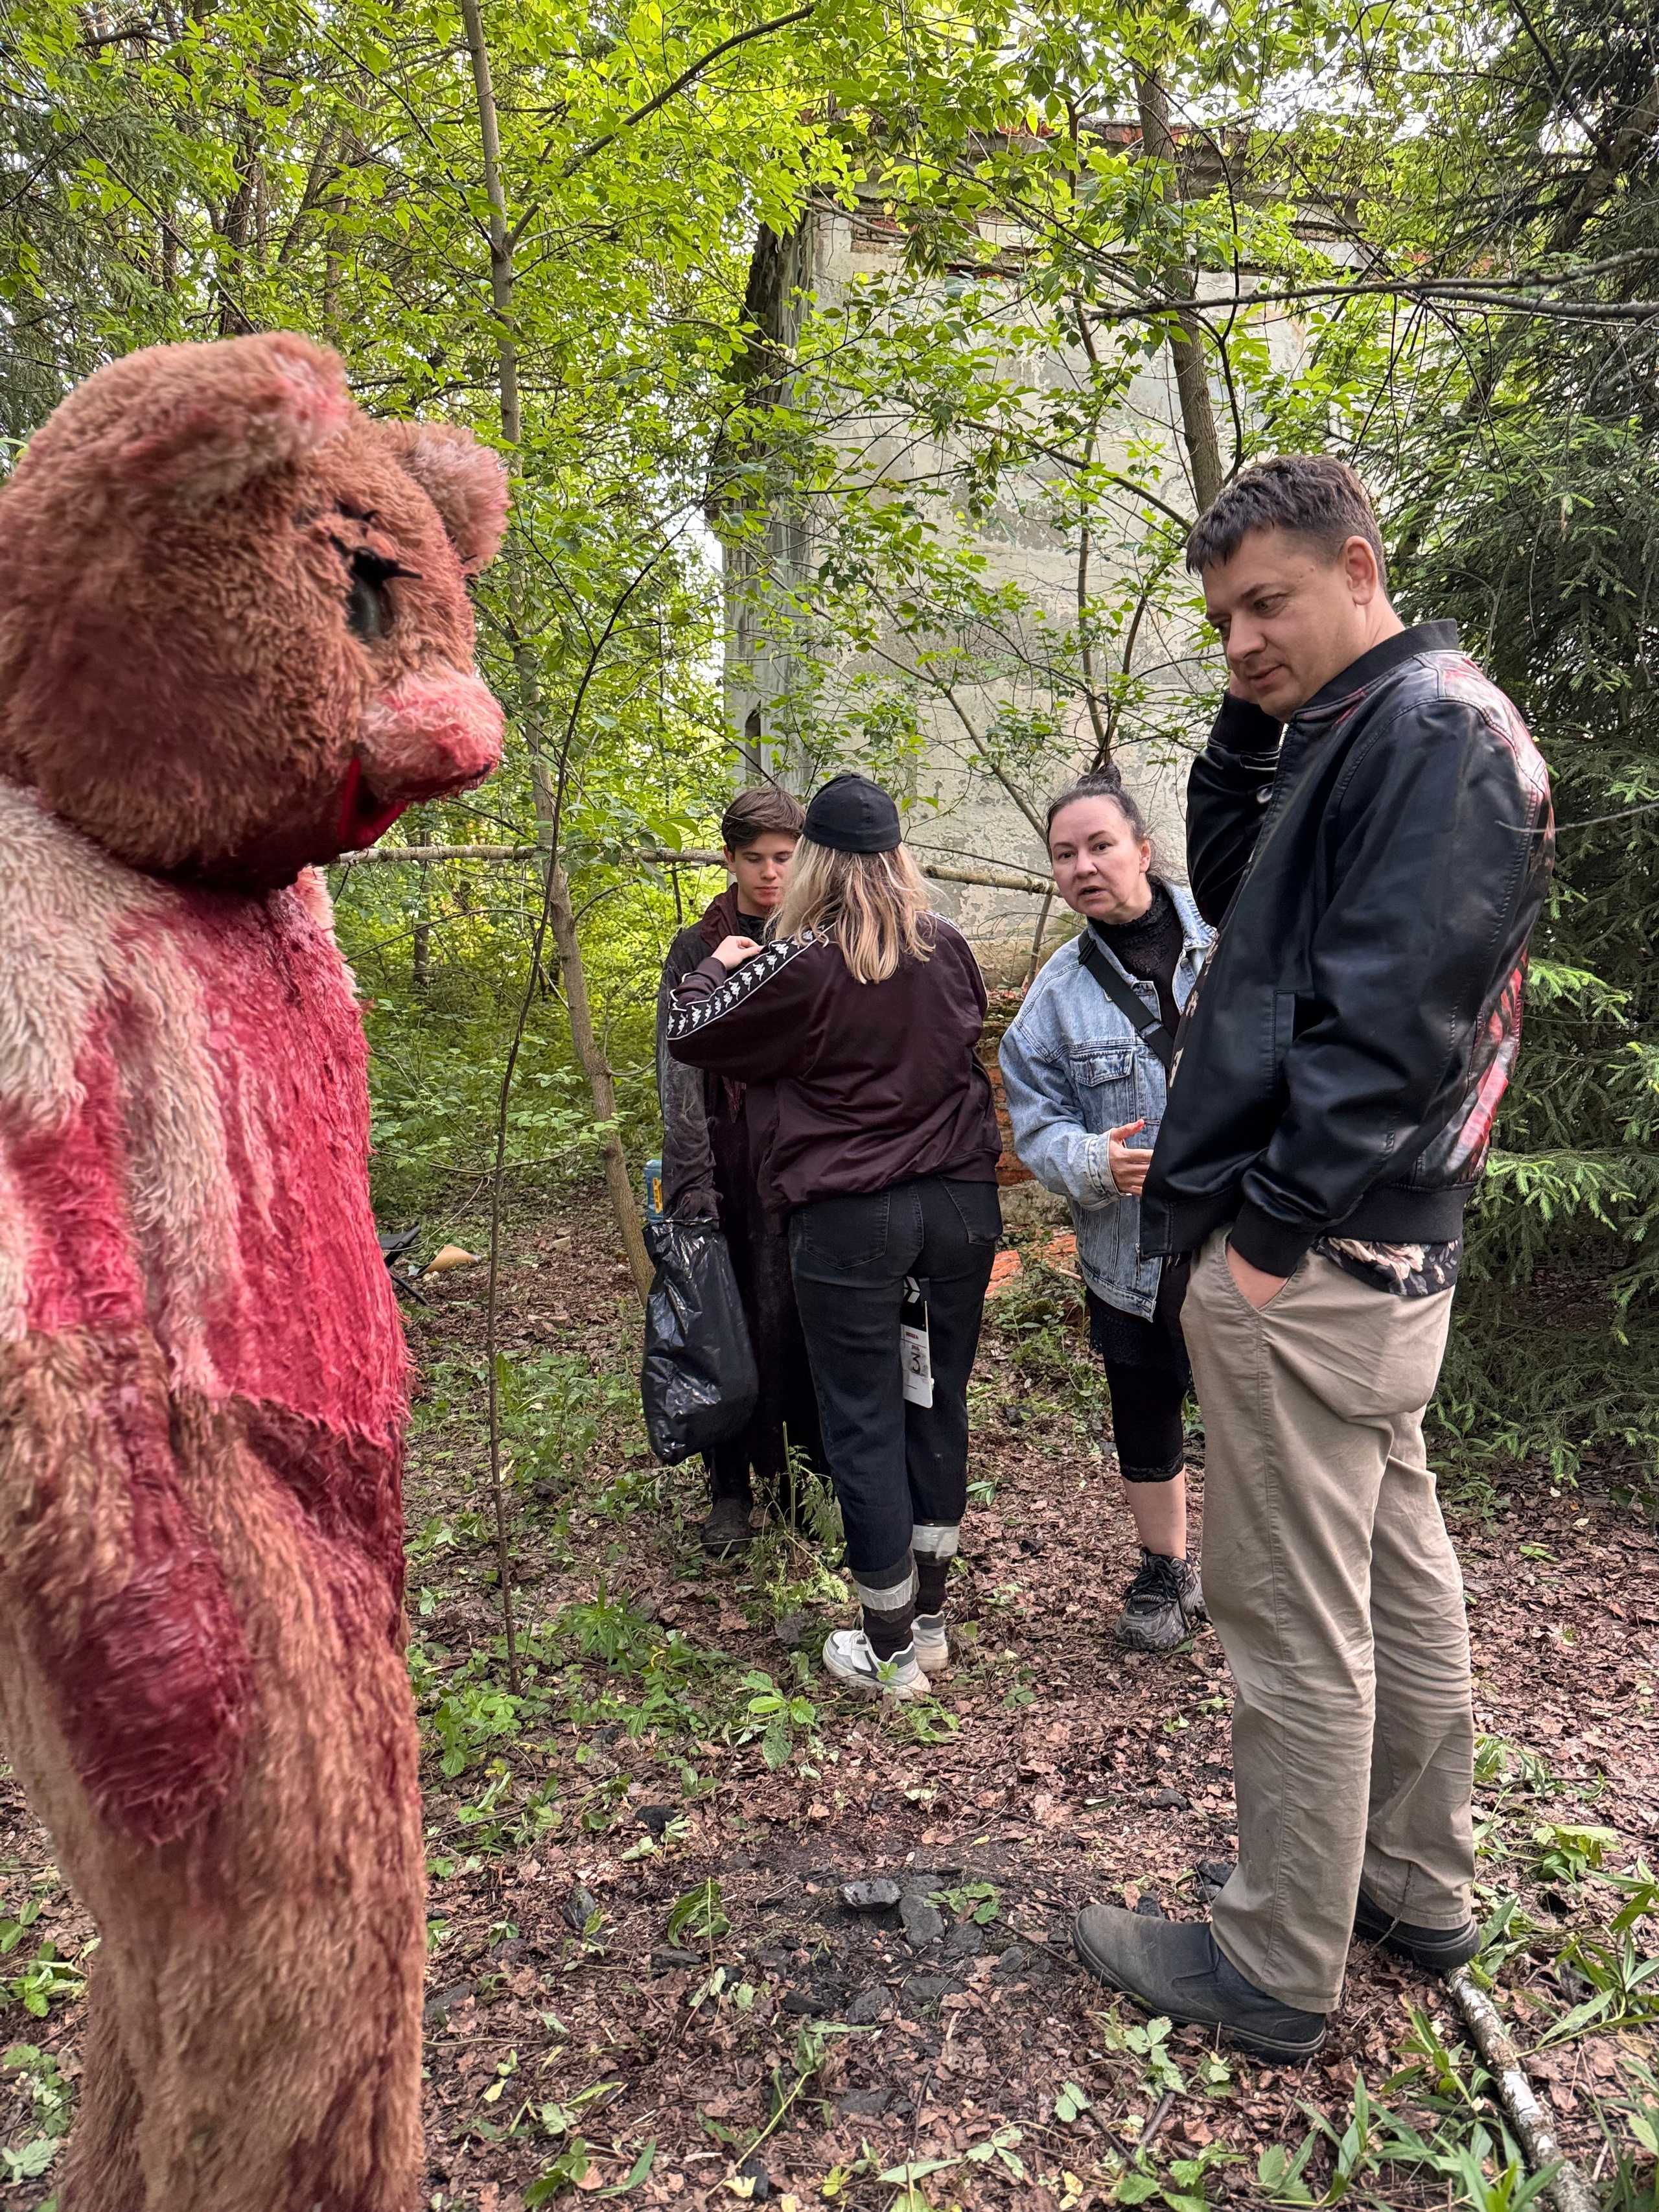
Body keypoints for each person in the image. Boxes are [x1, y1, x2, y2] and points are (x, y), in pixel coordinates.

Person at [1071, 456, 1553, 2058]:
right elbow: (1238, 894)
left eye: (1265, 603)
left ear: (1358, 565)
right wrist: (1243, 716)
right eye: (1218, 621)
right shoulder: (1366, 726)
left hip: (1317, 1251)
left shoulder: (1431, 735)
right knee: (1399, 1568)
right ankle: (1412, 1885)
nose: (1239, 641)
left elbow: (1391, 1023)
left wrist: (1263, 1239)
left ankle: (1275, 1957)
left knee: (1287, 1614)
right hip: (1371, 1251)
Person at [667, 772, 1003, 1697]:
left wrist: (717, 963)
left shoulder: (803, 961)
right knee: (935, 1403)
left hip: (855, 1215)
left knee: (862, 1413)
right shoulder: (953, 948)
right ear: (900, 861)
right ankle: (928, 1621)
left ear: (814, 860)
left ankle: (888, 1645)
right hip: (961, 1210)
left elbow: (689, 1032)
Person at [998, 768, 1215, 1650]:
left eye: (1100, 845)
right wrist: (1096, 1161)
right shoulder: (1054, 996)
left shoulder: (1230, 934)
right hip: (1130, 1250)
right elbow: (1035, 1124)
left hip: (1249, 1232)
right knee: (1145, 1402)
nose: (1084, 865)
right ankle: (1166, 1569)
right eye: (1064, 853)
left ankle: (1269, 1572)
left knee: (1256, 1410)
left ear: (1143, 850)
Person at [655, 784, 825, 1552]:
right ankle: (728, 1489)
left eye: (783, 857)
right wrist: (692, 1181)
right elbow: (678, 1072)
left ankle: (797, 1482)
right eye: (753, 858)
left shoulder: (819, 936)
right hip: (724, 1156)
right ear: (728, 858)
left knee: (795, 1321)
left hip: (800, 1157)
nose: (768, 873)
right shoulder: (698, 947)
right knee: (722, 1319)